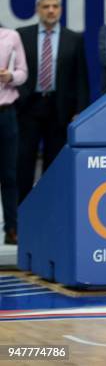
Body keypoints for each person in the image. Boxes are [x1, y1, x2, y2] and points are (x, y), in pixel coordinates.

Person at [16, 0, 89, 203]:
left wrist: (80, 111)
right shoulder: (22, 35)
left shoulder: (73, 38)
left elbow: (81, 78)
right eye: (46, 6)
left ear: (61, 10)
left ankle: (50, 207)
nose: (50, 10)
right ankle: (23, 211)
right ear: (38, 10)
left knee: (54, 162)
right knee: (24, 162)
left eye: (55, 6)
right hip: (28, 107)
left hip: (59, 109)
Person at [0, 28, 27, 245]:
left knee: (9, 174)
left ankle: (12, 229)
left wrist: (10, 76)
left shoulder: (11, 36)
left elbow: (23, 72)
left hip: (5, 112)